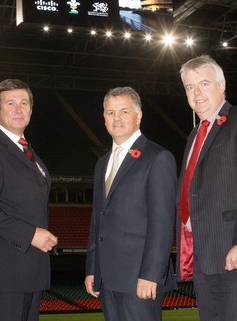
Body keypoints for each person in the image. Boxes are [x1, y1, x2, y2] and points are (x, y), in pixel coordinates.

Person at [85, 86, 177, 321]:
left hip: (140, 280)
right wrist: (92, 269)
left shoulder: (158, 157)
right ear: (104, 118)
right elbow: (98, 220)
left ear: (138, 116)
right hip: (107, 279)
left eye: (124, 111)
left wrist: (151, 274)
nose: (116, 118)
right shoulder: (102, 164)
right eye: (110, 112)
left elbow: (162, 223)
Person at [0, 79, 58, 321]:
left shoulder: (28, 151)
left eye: (24, 103)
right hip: (5, 272)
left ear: (31, 109)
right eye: (11, 103)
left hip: (29, 270)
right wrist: (30, 234)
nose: (18, 109)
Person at [176, 55, 237, 321]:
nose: (196, 93)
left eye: (203, 84)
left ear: (222, 85)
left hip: (230, 253)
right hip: (203, 253)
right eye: (190, 87)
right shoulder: (194, 134)